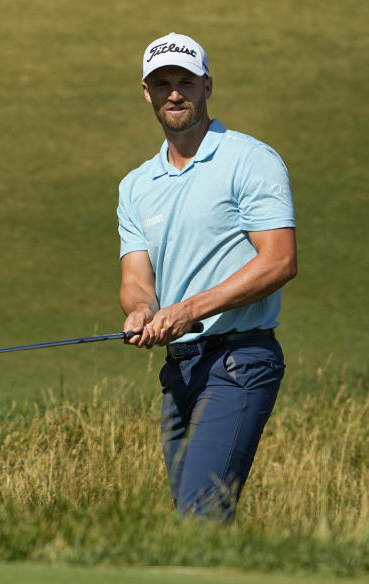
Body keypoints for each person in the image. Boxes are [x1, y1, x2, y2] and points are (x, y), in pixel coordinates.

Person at [117, 33, 297, 521]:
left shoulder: (249, 159)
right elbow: (136, 275)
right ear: (146, 92)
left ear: (207, 87)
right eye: (163, 84)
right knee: (196, 519)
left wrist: (189, 309)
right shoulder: (136, 186)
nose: (174, 93)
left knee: (201, 514)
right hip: (179, 370)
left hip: (239, 359)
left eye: (186, 82)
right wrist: (141, 310)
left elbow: (279, 261)